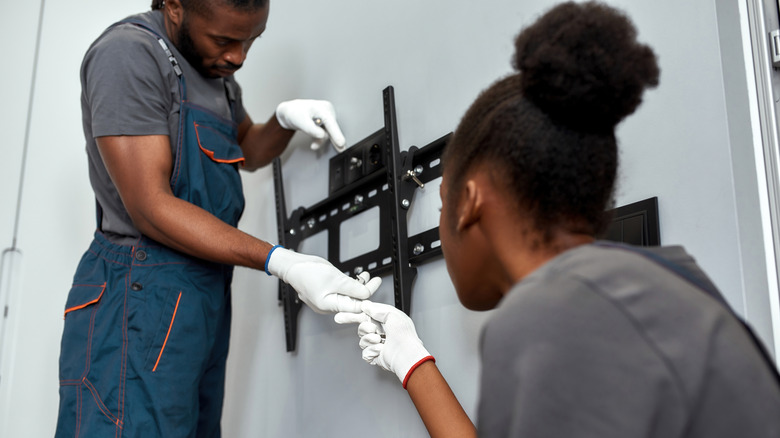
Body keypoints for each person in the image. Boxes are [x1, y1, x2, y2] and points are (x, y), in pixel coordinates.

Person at [335, 2, 780, 437]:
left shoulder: (548, 317)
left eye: (442, 201)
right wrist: (412, 361)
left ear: (469, 203)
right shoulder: (666, 279)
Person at [56, 0, 381, 436]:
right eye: (225, 40)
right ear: (173, 6)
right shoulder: (128, 56)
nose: (239, 57)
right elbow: (150, 207)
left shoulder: (218, 77)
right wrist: (280, 260)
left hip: (201, 297)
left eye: (251, 40)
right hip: (138, 294)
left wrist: (283, 121)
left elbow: (244, 146)